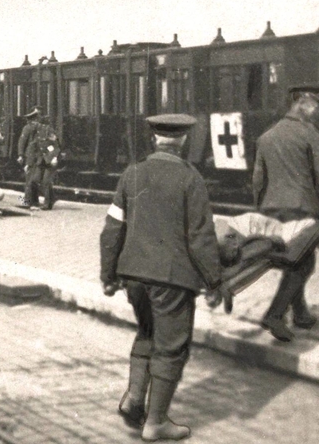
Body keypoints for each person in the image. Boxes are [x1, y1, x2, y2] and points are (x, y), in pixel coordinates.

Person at [99, 114, 222, 442]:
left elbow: (113, 228)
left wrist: (108, 274)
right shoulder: (189, 177)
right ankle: (156, 423)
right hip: (170, 277)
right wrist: (214, 280)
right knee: (171, 346)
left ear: (155, 139)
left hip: (134, 276)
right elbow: (200, 236)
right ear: (182, 141)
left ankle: (134, 400)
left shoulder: (132, 173)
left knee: (147, 332)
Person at [253, 83, 319, 342]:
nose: (316, 112)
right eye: (314, 106)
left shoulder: (267, 136)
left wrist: (260, 206)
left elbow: (257, 178)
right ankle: (275, 315)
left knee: (296, 259)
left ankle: (301, 314)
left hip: (272, 208)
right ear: (301, 102)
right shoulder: (310, 134)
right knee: (303, 263)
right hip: (302, 207)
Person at [17, 106, 44, 207]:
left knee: (32, 179)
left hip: (34, 157)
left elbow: (22, 141)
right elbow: (22, 142)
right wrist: (20, 155)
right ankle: (31, 201)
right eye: (37, 117)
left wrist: (21, 155)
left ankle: (30, 201)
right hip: (34, 157)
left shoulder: (34, 127)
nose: (38, 120)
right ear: (34, 118)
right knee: (32, 179)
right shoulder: (30, 128)